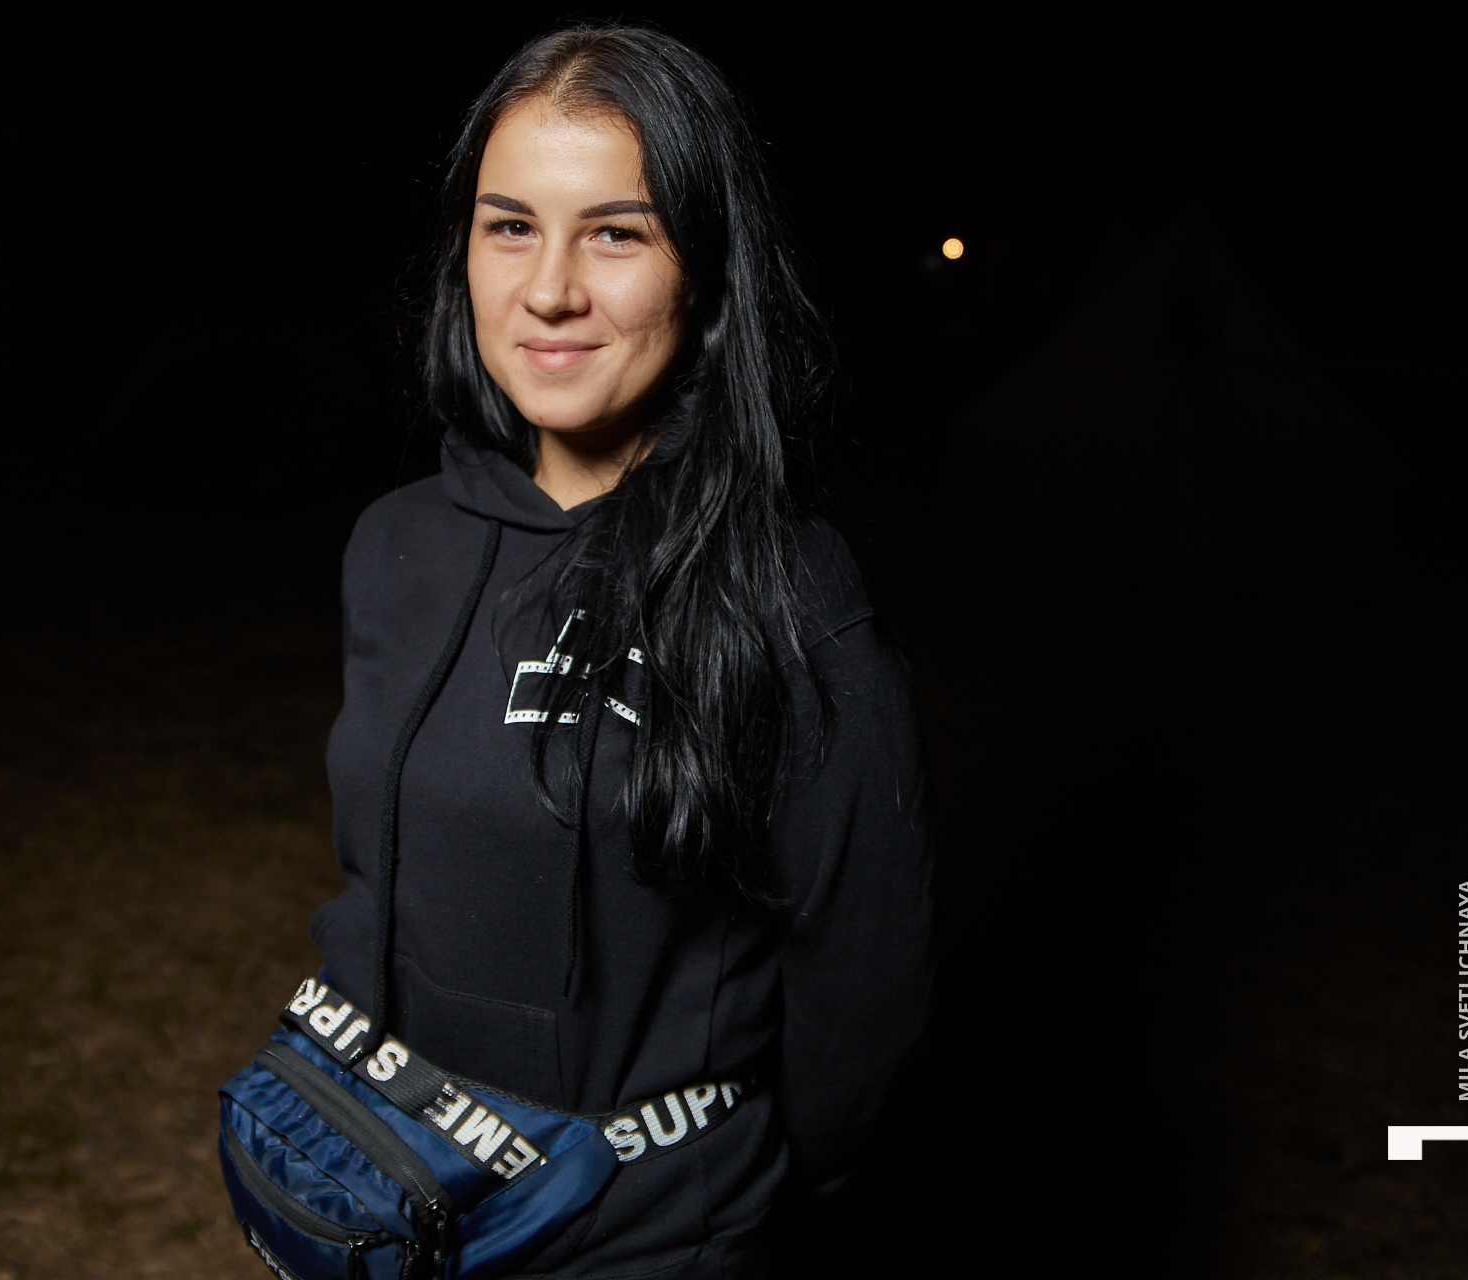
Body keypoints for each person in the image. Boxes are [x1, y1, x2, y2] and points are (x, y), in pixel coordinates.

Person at [307, 23, 931, 1277]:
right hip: (401, 1200)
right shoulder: (394, 544)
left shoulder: (785, 591)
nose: (549, 289)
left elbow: (863, 987)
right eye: (510, 225)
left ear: (703, 268)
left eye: (615, 233)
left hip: (642, 1236)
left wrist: (738, 1194)